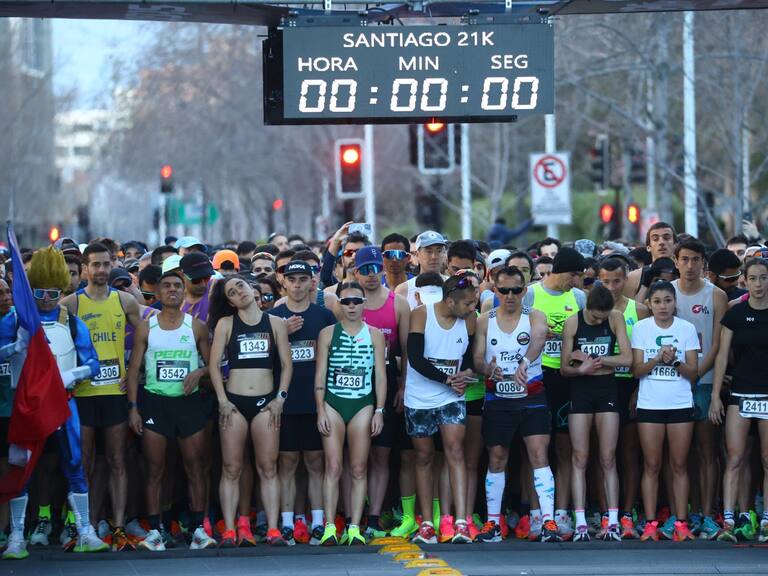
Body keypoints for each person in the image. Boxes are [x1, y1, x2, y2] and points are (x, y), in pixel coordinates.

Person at [2, 248, 108, 559]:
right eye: (39, 291)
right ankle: (17, 536)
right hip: (26, 407)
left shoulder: (73, 322)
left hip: (63, 403)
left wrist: (70, 375)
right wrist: (14, 346)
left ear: (61, 289)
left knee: (74, 464)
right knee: (20, 468)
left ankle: (85, 530)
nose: (46, 298)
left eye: (52, 292)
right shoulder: (15, 320)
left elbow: (94, 363)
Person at [126, 262, 215, 551]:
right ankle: (155, 531)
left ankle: (199, 530)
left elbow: (213, 368)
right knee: (155, 470)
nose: (173, 290)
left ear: (184, 289)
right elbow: (134, 370)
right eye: (167, 285)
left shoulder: (196, 327)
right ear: (157, 291)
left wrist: (199, 373)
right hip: (155, 402)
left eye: (178, 285)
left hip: (188, 404)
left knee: (195, 468)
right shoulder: (145, 327)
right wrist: (133, 409)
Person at [60, 243, 141, 551]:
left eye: (106, 264)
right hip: (82, 395)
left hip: (114, 394)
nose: (102, 270)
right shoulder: (72, 304)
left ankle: (118, 526)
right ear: (85, 269)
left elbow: (148, 335)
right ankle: (85, 526)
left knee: (119, 460)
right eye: (96, 265)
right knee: (84, 462)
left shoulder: (124, 301)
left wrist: (135, 371)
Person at [472, 266, 557, 542]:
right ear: (494, 290)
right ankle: (493, 523)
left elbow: (540, 337)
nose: (510, 296)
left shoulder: (534, 316)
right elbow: (476, 359)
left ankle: (548, 522)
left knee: (538, 456)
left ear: (525, 291)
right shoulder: (485, 320)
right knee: (497, 458)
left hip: (531, 395)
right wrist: (488, 369)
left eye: (516, 290)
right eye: (504, 290)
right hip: (498, 398)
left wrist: (524, 362)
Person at [209, 274, 293, 547]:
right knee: (231, 468)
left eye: (240, 286)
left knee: (268, 467)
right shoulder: (226, 324)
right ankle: (231, 529)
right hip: (233, 403)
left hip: (265, 404)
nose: (239, 293)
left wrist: (280, 398)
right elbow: (213, 365)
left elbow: (286, 364)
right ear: (230, 302)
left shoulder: (276, 322)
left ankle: (272, 529)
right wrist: (222, 400)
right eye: (232, 292)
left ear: (251, 287)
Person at [405, 273, 478, 544]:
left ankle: (460, 521)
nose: (473, 308)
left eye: (474, 303)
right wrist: (448, 379)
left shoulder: (469, 320)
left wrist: (465, 377)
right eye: (468, 303)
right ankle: (426, 523)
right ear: (450, 301)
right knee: (423, 457)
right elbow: (415, 358)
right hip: (420, 396)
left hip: (451, 397)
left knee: (455, 451)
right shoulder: (422, 315)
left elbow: (470, 359)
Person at [314, 282, 387, 545]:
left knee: (358, 467)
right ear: (339, 304)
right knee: (332, 466)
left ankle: (355, 527)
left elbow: (380, 375)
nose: (352, 306)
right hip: (333, 402)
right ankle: (330, 526)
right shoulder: (327, 334)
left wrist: (379, 410)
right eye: (346, 301)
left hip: (363, 404)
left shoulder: (376, 335)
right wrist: (320, 408)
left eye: (357, 300)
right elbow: (320, 374)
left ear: (364, 303)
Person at [269, 261, 336, 544]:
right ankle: (287, 523)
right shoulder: (272, 316)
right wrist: (281, 333)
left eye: (302, 279)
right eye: (292, 279)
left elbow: (333, 359)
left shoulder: (325, 316)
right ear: (283, 282)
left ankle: (318, 522)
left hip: (315, 400)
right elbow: (261, 359)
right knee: (286, 463)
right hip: (284, 401)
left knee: (315, 462)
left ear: (312, 282)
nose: (297, 285)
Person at [523, 247, 587, 539]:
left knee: (564, 448)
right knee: (535, 450)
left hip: (566, 377)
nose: (576, 281)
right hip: (537, 376)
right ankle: (536, 514)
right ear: (565, 272)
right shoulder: (532, 294)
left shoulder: (579, 298)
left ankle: (561, 513)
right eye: (575, 276)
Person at [560, 285, 632, 542]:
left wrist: (594, 361)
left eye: (603, 317)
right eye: (595, 317)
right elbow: (564, 368)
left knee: (608, 458)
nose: (600, 321)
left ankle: (612, 520)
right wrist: (581, 369)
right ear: (586, 307)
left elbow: (627, 358)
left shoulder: (615, 318)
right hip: (581, 391)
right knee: (579, 457)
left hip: (607, 391)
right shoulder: (572, 322)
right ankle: (580, 520)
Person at [631, 281, 699, 542]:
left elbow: (693, 373)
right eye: (657, 301)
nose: (663, 306)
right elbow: (636, 371)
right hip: (650, 404)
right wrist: (657, 358)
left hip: (680, 403)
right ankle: (650, 523)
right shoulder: (641, 328)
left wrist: (676, 361)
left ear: (674, 303)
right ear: (649, 304)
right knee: (652, 464)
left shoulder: (686, 329)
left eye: (668, 300)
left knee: (679, 465)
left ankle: (681, 521)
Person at [352, 247, 410, 538]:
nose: (371, 274)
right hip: (351, 384)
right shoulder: (347, 302)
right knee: (354, 456)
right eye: (365, 269)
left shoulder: (397, 303)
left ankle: (374, 515)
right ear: (355, 272)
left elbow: (408, 351)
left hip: (386, 383)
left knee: (381, 455)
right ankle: (353, 514)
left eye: (376, 268)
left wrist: (402, 386)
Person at [672, 240, 727, 540]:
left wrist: (697, 374)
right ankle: (683, 512)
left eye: (696, 260)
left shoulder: (715, 295)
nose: (690, 266)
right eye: (684, 259)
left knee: (707, 450)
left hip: (703, 381)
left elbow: (718, 343)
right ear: (676, 261)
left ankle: (707, 513)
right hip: (671, 383)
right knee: (680, 455)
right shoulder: (667, 293)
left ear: (703, 263)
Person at [710, 258, 768, 543]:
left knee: (767, 460)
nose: (759, 284)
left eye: (763, 278)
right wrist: (714, 397)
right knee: (734, 458)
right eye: (753, 278)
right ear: (745, 280)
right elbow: (722, 356)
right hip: (741, 394)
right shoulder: (735, 313)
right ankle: (730, 521)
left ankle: (766, 521)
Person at [597, 258, 649, 539]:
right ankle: (605, 512)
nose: (611, 287)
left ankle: (626, 512)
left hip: (628, 385)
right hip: (600, 385)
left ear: (625, 280)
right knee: (603, 455)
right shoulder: (592, 310)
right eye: (605, 281)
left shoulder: (638, 310)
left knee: (628, 453)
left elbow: (642, 352)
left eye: (617, 281)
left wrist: (639, 390)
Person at [396, 231, 447, 310]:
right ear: (417, 255)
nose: (434, 257)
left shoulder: (453, 285)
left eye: (439, 251)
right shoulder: (404, 290)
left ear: (444, 254)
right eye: (429, 251)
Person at [624, 222, 676, 299]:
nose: (661, 242)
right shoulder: (633, 278)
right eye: (655, 239)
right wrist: (644, 285)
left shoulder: (686, 273)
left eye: (666, 238)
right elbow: (630, 310)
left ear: (675, 244)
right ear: (648, 247)